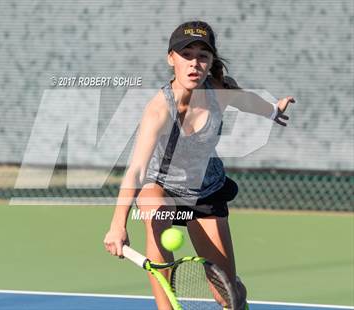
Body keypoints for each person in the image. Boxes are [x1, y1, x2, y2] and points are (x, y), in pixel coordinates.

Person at [104, 20, 294, 309]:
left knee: (228, 296)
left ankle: (235, 288)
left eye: (202, 56)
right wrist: (117, 225)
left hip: (206, 192)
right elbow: (137, 170)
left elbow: (246, 101)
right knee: (154, 208)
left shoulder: (219, 90)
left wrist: (272, 111)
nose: (194, 63)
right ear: (171, 59)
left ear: (211, 61)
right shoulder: (159, 109)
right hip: (162, 187)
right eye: (186, 55)